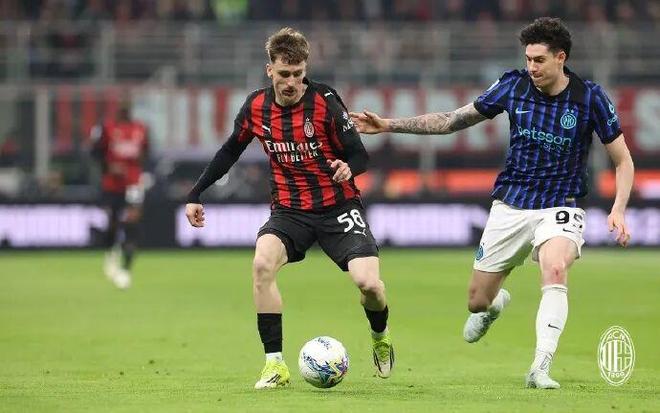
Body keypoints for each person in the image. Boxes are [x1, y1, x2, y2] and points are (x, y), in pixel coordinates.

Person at [350, 17, 634, 389]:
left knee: (555, 268)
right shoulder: (513, 86)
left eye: (539, 60)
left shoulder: (589, 97)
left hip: (560, 204)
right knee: (477, 301)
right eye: (528, 59)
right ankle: (495, 304)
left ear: (561, 58)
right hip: (511, 204)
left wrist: (618, 208)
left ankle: (540, 368)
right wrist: (388, 124)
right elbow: (452, 120)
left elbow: (623, 160)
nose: (531, 67)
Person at [185, 27, 394, 389]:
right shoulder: (256, 106)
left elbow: (359, 155)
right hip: (289, 210)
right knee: (261, 264)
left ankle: (380, 336)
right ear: (270, 70)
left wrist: (349, 168)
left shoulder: (325, 100)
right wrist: (195, 193)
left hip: (338, 206)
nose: (292, 83)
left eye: (298, 74)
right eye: (284, 74)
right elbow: (230, 150)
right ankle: (275, 365)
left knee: (369, 285)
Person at [91, 104, 150, 290]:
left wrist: (140, 167)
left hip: (133, 184)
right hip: (112, 185)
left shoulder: (141, 129)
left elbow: (147, 153)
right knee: (113, 223)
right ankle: (111, 253)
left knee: (132, 223)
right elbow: (95, 153)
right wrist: (109, 167)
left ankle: (126, 270)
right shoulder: (107, 128)